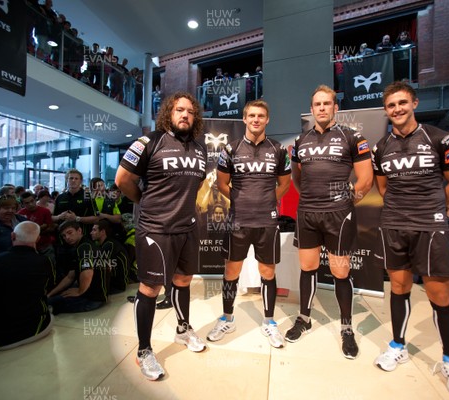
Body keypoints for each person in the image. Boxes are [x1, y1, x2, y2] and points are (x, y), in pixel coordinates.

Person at [371, 82, 449, 399]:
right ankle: (397, 346)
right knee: (399, 287)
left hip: (430, 226)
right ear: (386, 110)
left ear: (414, 102)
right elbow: (384, 188)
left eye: (402, 103)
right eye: (391, 105)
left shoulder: (440, 138)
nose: (397, 109)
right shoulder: (380, 147)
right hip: (394, 224)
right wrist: (403, 209)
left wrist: (431, 206)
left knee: (439, 295)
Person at [115, 91, 207, 380]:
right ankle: (144, 350)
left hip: (187, 227)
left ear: (195, 117)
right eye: (179, 110)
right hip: (155, 229)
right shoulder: (149, 142)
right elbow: (122, 180)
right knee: (150, 288)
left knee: (183, 280)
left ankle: (183, 329)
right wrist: (144, 201)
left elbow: (196, 184)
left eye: (190, 111)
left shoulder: (200, 148)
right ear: (169, 112)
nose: (185, 115)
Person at [286, 84, 373, 360]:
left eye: (327, 104)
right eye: (317, 104)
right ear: (311, 110)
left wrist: (346, 204)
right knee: (307, 267)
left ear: (336, 108)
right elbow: (297, 178)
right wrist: (312, 198)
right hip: (308, 213)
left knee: (339, 270)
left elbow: (366, 180)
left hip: (339, 215)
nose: (322, 108)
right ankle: (304, 318)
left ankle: (346, 328)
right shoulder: (301, 141)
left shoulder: (352, 136)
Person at [206, 100, 291, 348]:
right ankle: (228, 318)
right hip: (238, 221)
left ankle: (269, 322)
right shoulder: (230, 149)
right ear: (244, 119)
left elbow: (284, 184)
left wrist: (265, 202)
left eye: (261, 116)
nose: (256, 119)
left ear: (267, 120)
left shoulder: (278, 150)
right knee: (231, 272)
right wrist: (241, 201)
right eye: (251, 115)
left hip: (267, 221)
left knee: (268, 273)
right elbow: (222, 183)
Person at [0, 221, 55, 350]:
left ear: (12, 236)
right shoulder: (45, 261)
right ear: (38, 239)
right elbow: (47, 289)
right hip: (39, 329)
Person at [47, 221, 109, 314]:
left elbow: (87, 272)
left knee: (48, 305)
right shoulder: (81, 246)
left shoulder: (84, 247)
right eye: (64, 236)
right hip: (94, 294)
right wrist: (50, 294)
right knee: (52, 298)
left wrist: (80, 291)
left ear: (79, 231)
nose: (67, 237)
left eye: (70, 232)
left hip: (92, 299)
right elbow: (70, 277)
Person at [90, 220, 130, 294]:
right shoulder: (104, 244)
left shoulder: (109, 244)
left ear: (102, 232)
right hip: (113, 283)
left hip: (117, 286)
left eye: (94, 230)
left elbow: (102, 268)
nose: (91, 233)